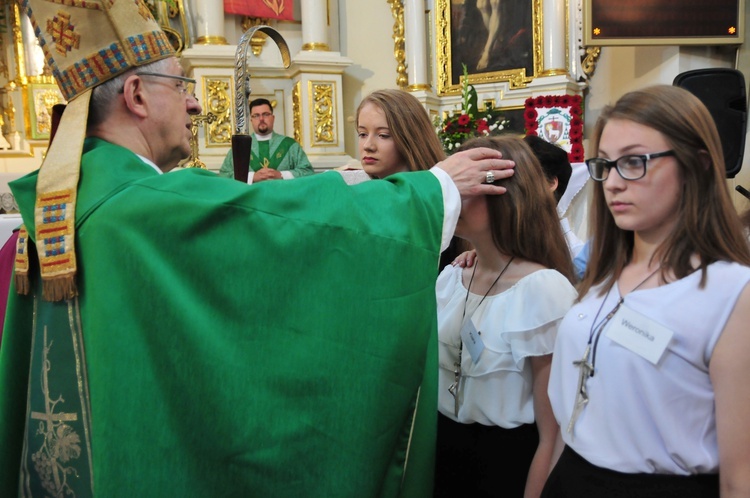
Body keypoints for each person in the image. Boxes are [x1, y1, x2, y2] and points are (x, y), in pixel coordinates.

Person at [0, 2, 517, 497]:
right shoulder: (139, 207)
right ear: (136, 95)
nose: (197, 102)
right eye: (182, 84)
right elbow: (284, 227)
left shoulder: (67, 203)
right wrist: (433, 190)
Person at [544, 85, 750, 497]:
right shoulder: (603, 276)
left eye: (635, 162)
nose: (613, 183)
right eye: (606, 164)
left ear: (699, 165)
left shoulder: (732, 292)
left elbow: (740, 475)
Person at [435, 136, 577, 498]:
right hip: (443, 453)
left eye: (468, 185)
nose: (454, 196)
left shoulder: (543, 291)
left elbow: (554, 432)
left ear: (506, 192)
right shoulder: (452, 277)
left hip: (504, 463)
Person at [344, 88, 446, 184]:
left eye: (383, 135)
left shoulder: (430, 194)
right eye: (362, 134)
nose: (368, 146)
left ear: (411, 139)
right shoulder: (357, 189)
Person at [218, 97, 314, 183]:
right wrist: (252, 177)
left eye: (266, 114)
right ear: (251, 120)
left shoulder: (290, 145)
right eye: (256, 115)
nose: (261, 119)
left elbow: (308, 172)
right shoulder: (240, 148)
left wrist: (280, 175)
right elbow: (224, 176)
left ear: (273, 118)